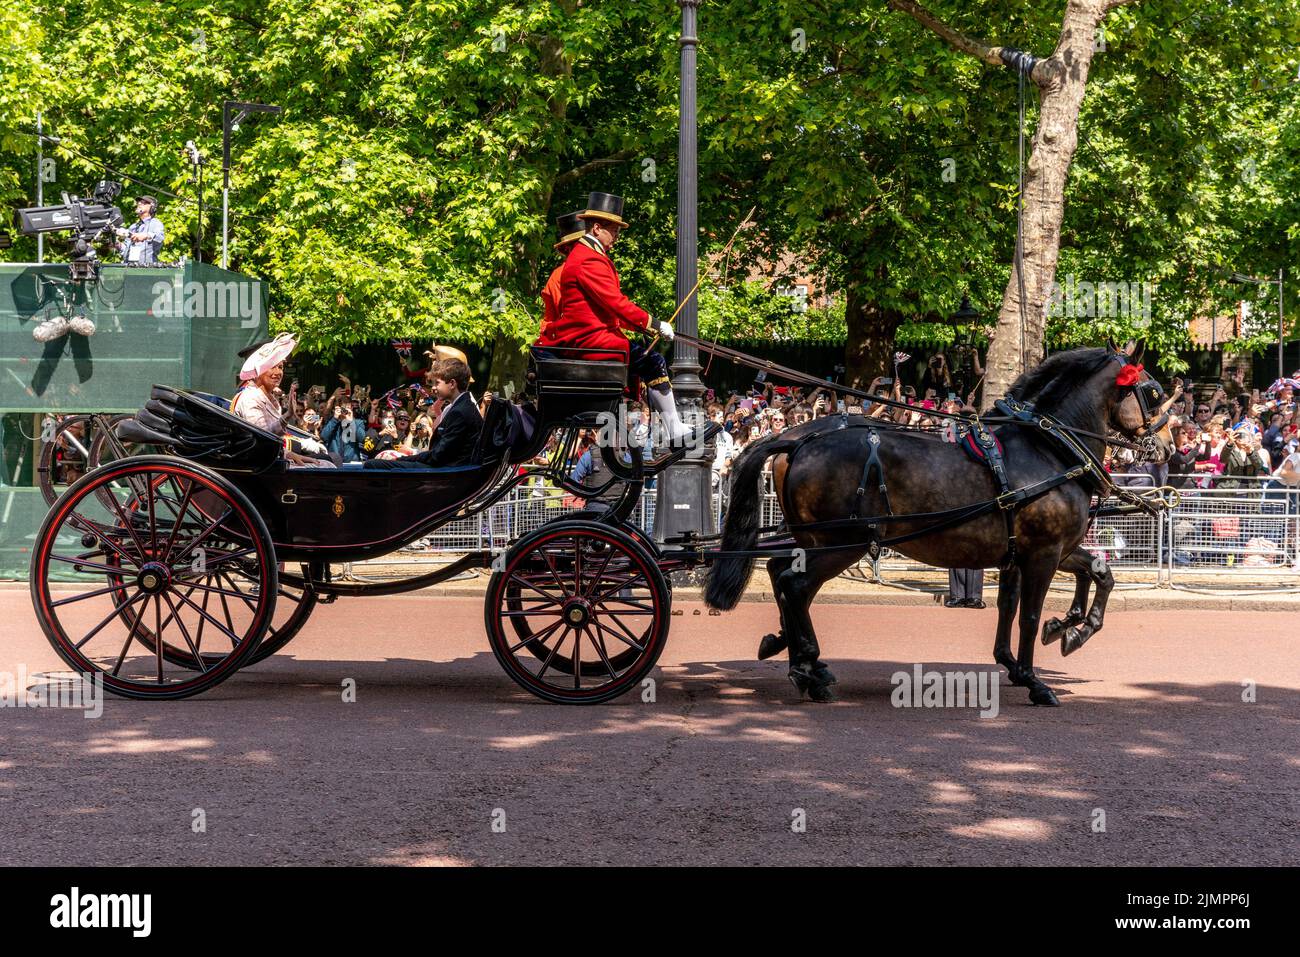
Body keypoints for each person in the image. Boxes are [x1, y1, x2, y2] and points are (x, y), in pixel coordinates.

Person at [536, 191, 698, 446]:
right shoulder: (588, 259)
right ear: (598, 227)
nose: (617, 237)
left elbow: (609, 308)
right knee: (653, 361)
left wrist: (647, 327)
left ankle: (670, 426)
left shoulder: (588, 256)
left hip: (591, 336)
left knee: (647, 356)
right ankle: (673, 428)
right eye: (614, 230)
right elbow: (616, 303)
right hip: (590, 339)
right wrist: (653, 324)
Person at [232, 334, 336, 468]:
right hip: (263, 464)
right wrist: (287, 417)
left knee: (331, 460)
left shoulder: (269, 398)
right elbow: (263, 439)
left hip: (274, 458)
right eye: (272, 366)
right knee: (328, 464)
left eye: (280, 367)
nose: (278, 372)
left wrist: (288, 416)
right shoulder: (250, 398)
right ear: (257, 370)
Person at [364, 357, 482, 469]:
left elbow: (437, 456)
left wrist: (404, 459)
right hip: (445, 468)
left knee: (372, 465)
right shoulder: (461, 406)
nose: (433, 388)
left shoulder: (460, 412)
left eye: (437, 383)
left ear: (452, 383)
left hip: (446, 472)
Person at [116, 196, 165, 265]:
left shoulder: (156, 223)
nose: (139, 204)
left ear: (152, 208)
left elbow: (160, 237)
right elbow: (126, 250)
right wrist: (118, 245)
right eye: (138, 203)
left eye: (143, 203)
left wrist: (146, 235)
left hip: (147, 270)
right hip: (129, 269)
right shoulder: (133, 227)